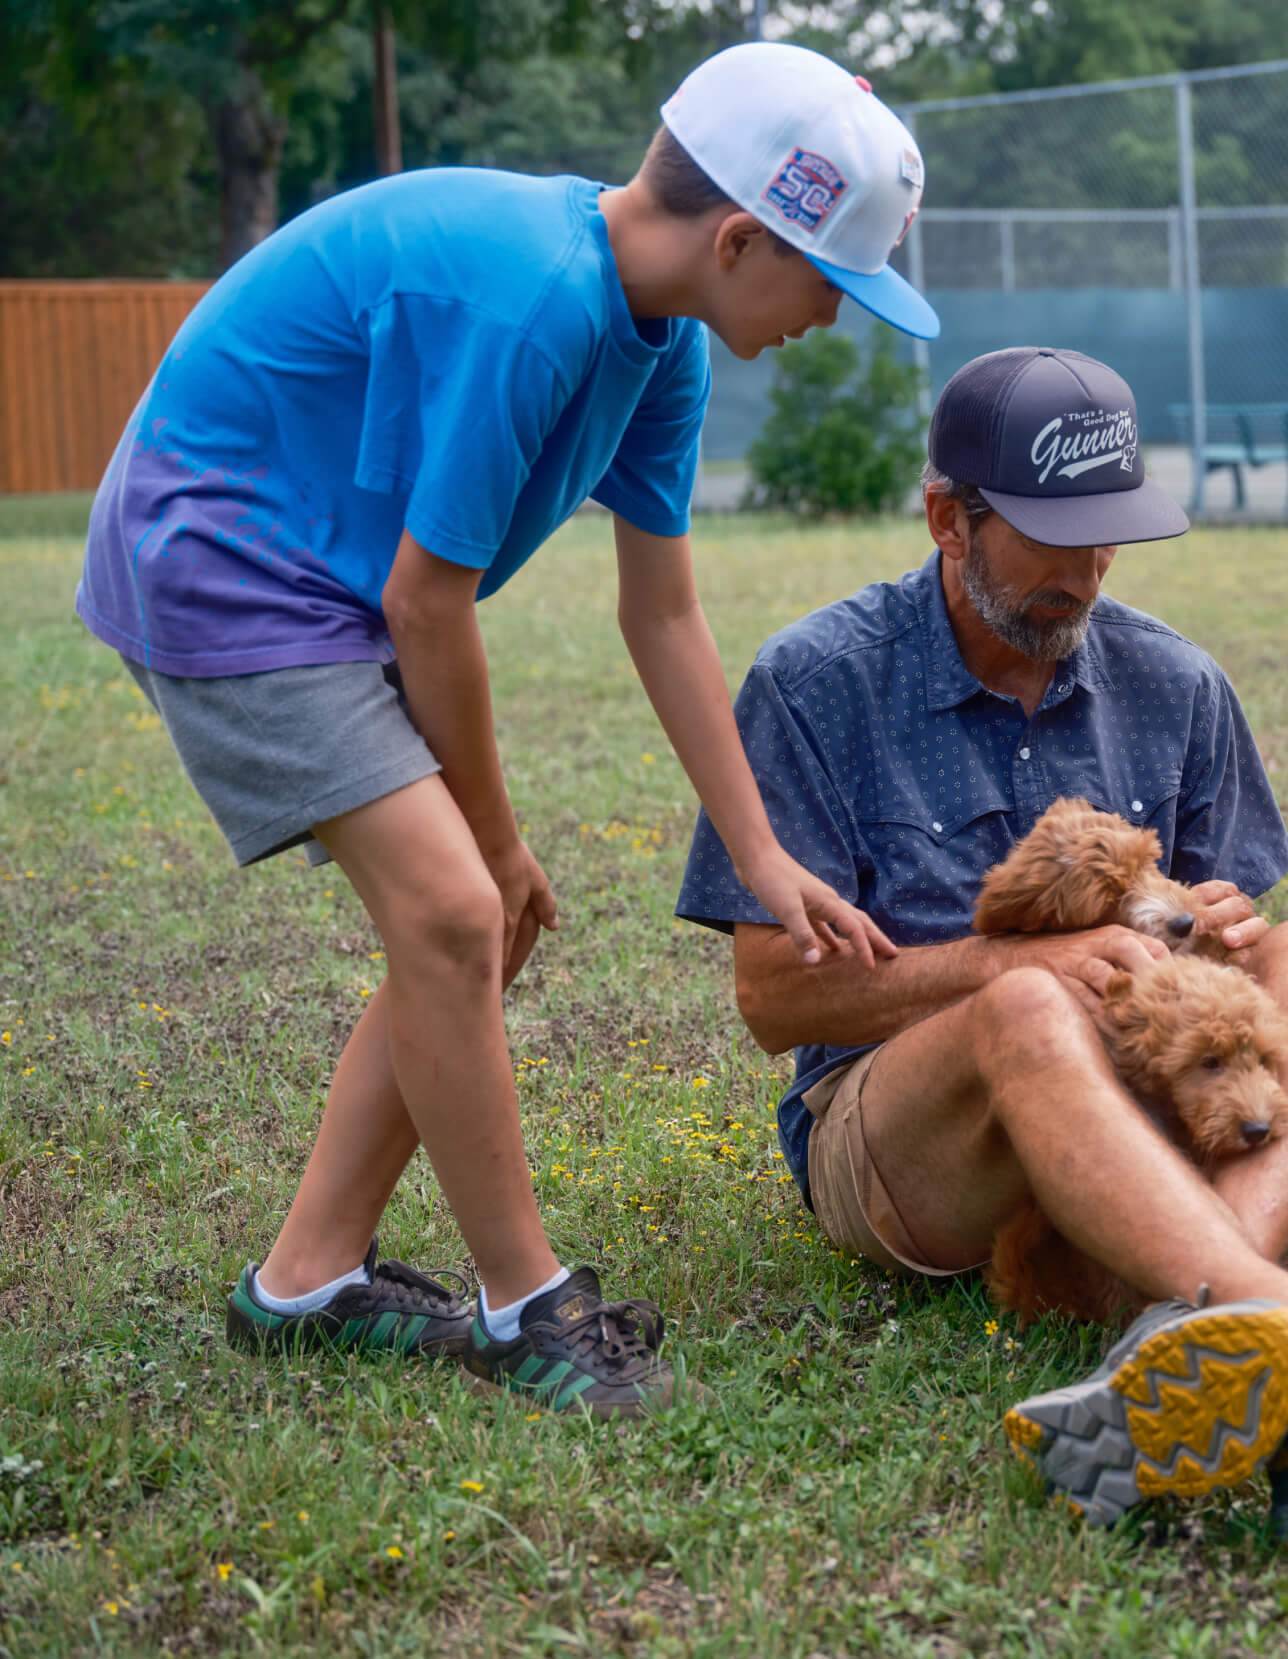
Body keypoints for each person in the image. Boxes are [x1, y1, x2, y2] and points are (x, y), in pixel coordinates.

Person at [72, 43, 936, 1415]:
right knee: (464, 908)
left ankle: (303, 1279)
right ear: (736, 237)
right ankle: (528, 1307)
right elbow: (430, 603)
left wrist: (761, 852)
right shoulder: (539, 298)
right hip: (221, 551)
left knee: (480, 914)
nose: (833, 319)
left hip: (326, 573)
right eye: (833, 282)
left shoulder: (661, 350)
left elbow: (662, 616)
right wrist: (495, 834)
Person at [677, 348, 1288, 1541]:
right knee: (1026, 1010)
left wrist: (1225, 931)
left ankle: (1189, 1333)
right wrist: (1004, 966)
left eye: (1108, 533)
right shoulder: (815, 683)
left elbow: (1232, 980)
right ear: (948, 516)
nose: (1086, 570)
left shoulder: (1178, 683)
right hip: (904, 1133)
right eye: (1051, 536)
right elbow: (771, 1002)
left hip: (1147, 1107)